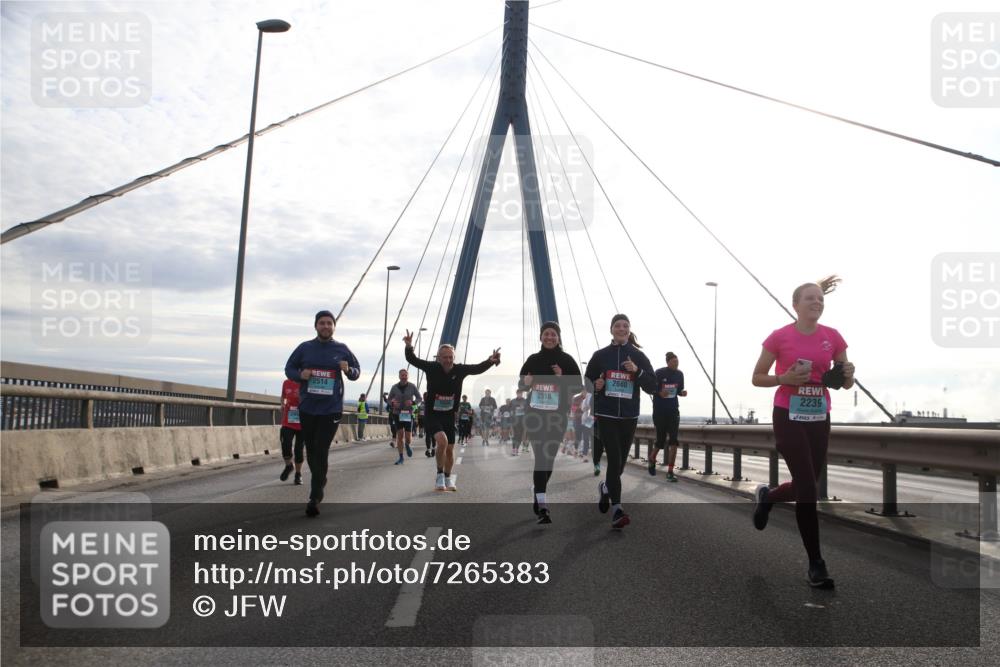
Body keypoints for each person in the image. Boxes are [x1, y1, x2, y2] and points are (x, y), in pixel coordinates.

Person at [751, 276, 854, 589]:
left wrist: (848, 375)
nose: (817, 302)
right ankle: (816, 563)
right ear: (795, 305)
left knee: (804, 486)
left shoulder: (833, 337)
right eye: (810, 298)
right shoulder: (779, 337)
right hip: (788, 415)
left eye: (820, 298)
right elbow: (757, 377)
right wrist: (784, 378)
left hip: (819, 416)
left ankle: (768, 497)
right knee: (808, 488)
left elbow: (845, 381)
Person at [284, 310, 360, 517]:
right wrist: (300, 375)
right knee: (311, 449)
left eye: (329, 323)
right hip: (308, 407)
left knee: (321, 448)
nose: (326, 326)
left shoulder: (342, 349)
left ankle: (315, 495)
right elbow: (289, 368)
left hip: (331, 409)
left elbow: (356, 371)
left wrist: (348, 370)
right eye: (322, 323)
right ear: (316, 326)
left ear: (334, 326)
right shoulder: (305, 348)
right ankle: (320, 478)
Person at [584, 314, 657, 530]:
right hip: (606, 416)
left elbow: (652, 386)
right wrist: (595, 384)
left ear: (629, 330)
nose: (621, 328)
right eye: (617, 325)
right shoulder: (600, 356)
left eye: (625, 325)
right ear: (611, 329)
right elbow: (587, 382)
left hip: (629, 416)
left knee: (620, 465)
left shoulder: (638, 356)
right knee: (615, 461)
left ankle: (606, 488)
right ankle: (617, 510)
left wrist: (637, 371)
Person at [404, 330, 500, 491]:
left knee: (449, 450)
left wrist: (490, 361)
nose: (448, 360)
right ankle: (439, 475)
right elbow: (412, 359)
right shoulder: (431, 368)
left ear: (454, 358)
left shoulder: (459, 370)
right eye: (445, 357)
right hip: (432, 414)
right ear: (438, 358)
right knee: (442, 441)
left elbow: (477, 368)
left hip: (449, 415)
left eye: (450, 357)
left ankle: (448, 478)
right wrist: (409, 346)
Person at [519, 321, 583, 524]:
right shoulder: (533, 359)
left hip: (558, 416)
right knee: (541, 457)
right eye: (546, 334)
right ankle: (542, 504)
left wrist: (562, 377)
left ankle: (537, 490)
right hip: (535, 416)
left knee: (549, 460)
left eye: (553, 334)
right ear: (541, 337)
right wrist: (526, 384)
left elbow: (578, 387)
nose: (549, 337)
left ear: (558, 337)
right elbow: (521, 384)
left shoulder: (567, 360)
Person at [650, 352, 688, 481]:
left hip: (673, 411)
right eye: (674, 362)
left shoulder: (679, 374)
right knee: (660, 441)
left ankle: (670, 471)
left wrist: (682, 393)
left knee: (674, 441)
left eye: (677, 362)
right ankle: (652, 458)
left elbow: (679, 390)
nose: (676, 364)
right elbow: (651, 388)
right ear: (668, 362)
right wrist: (659, 392)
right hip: (660, 411)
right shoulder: (659, 373)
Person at [388, 369, 421, 465]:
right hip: (397, 413)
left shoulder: (412, 386)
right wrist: (393, 403)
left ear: (408, 376)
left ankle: (407, 444)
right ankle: (401, 457)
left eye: (405, 375)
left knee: (408, 437)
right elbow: (389, 399)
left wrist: (413, 402)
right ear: (399, 376)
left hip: (407, 413)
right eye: (402, 375)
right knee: (400, 435)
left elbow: (419, 398)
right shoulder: (394, 387)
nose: (404, 377)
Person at [279, 377, 304, 485]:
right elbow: (283, 396)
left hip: (303, 422)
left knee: (299, 449)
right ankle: (289, 466)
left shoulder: (305, 382)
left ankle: (298, 474)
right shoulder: (286, 382)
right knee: (285, 444)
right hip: (288, 420)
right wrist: (282, 404)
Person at [575, 387, 594, 461]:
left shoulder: (588, 396)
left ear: (584, 391)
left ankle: (584, 454)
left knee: (586, 436)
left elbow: (583, 408)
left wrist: (586, 408)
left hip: (589, 418)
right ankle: (584, 454)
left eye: (583, 392)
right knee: (586, 437)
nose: (582, 394)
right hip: (589, 418)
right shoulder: (588, 397)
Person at [510, 389, 528, 455]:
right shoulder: (513, 401)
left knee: (520, 436)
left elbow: (527, 411)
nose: (519, 394)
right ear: (516, 393)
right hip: (515, 421)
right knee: (515, 436)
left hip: (523, 421)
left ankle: (516, 449)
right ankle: (513, 449)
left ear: (522, 394)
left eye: (520, 393)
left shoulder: (525, 401)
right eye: (518, 393)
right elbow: (510, 411)